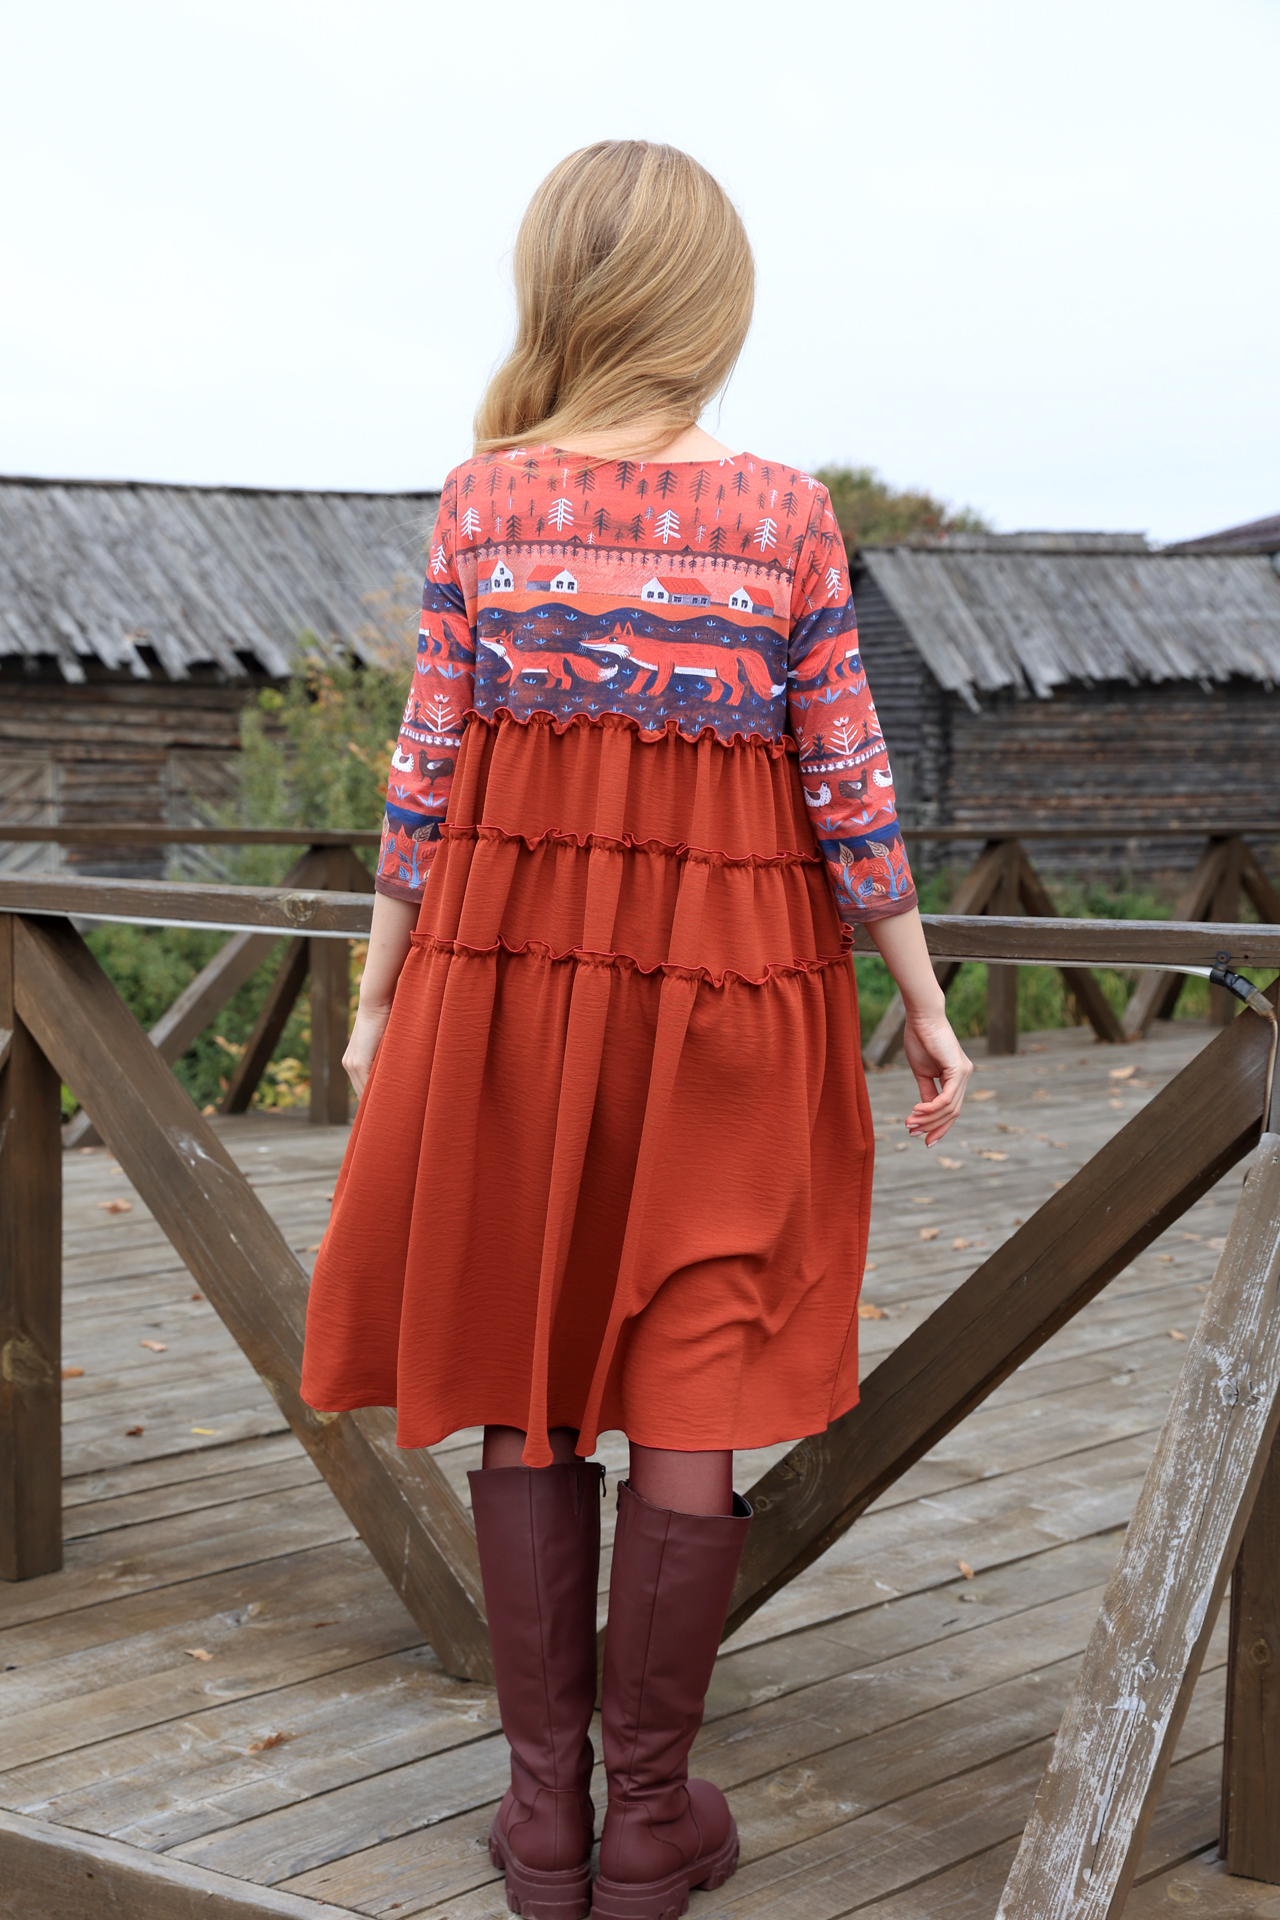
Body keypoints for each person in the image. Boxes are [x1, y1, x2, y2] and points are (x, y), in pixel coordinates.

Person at [301, 139, 971, 1920]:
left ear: (558, 291)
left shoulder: (482, 505)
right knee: (695, 1363)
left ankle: (546, 1825)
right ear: (709, 305)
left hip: (511, 992)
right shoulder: (785, 515)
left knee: (528, 1365)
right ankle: (651, 1823)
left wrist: (376, 997)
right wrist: (918, 994)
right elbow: (849, 780)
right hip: (731, 991)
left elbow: (423, 779)